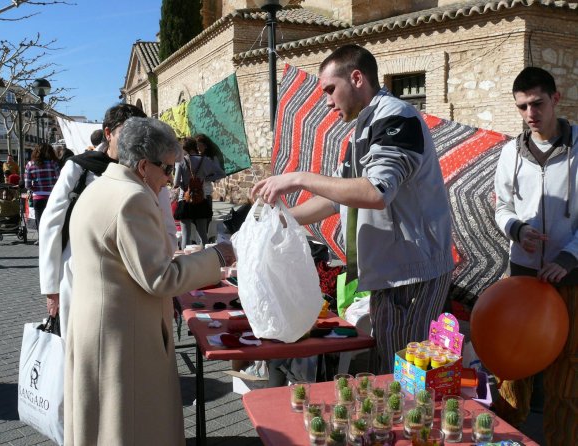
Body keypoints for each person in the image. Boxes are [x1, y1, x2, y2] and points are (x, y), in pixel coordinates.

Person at [251, 44, 453, 375]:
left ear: (356, 78)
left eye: (330, 89)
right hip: (392, 273)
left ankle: (407, 426)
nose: (327, 101)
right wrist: (283, 219)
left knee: (402, 373)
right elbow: (339, 198)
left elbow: (375, 192)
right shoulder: (363, 128)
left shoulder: (396, 118)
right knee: (392, 366)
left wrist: (300, 178)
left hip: (411, 274)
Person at [64, 117, 235, 446]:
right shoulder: (133, 198)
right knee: (126, 427)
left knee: (102, 426)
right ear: (144, 166)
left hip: (98, 327)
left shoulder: (100, 186)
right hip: (124, 336)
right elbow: (159, 278)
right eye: (167, 169)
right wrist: (219, 256)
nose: (170, 179)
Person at [39, 103, 178, 339]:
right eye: (127, 132)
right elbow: (52, 224)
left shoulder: (150, 170)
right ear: (108, 133)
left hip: (135, 276)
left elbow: (165, 225)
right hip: (81, 272)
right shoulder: (80, 167)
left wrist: (163, 267)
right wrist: (51, 288)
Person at [493, 66, 577, 444]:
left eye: (537, 104)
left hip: (570, 279)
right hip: (524, 278)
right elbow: (502, 206)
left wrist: (569, 257)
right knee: (511, 369)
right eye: (523, 107)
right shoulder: (511, 152)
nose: (530, 114)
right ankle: (507, 437)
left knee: (568, 376)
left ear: (556, 99)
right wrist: (518, 229)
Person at [174, 136, 225, 248]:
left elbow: (175, 183)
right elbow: (221, 173)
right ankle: (205, 258)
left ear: (185, 148)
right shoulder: (206, 160)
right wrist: (205, 179)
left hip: (185, 200)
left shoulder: (181, 161)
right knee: (203, 234)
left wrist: (186, 187)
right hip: (200, 199)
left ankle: (185, 260)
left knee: (186, 235)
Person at [23, 143, 60, 231]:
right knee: (52, 222)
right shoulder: (54, 164)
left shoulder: (30, 165)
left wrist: (36, 189)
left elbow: (27, 185)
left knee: (40, 222)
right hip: (52, 197)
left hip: (38, 198)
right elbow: (60, 180)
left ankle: (41, 241)